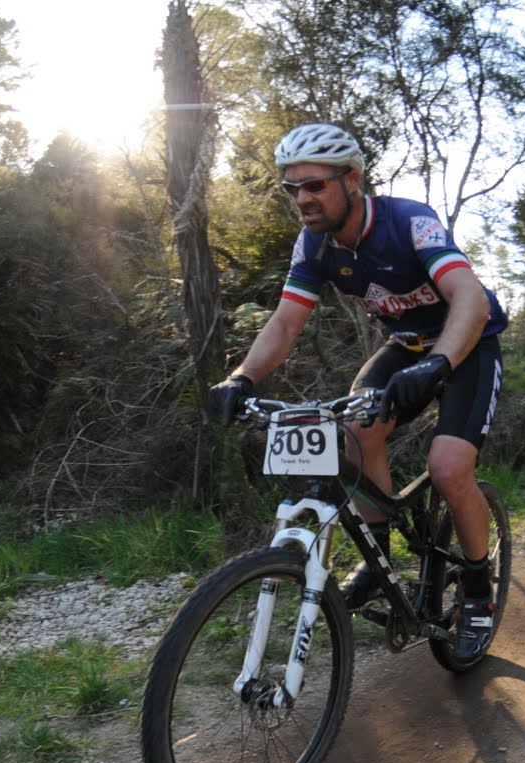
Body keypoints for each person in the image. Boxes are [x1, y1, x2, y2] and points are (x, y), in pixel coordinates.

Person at [209, 122, 508, 665]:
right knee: (356, 427)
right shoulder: (315, 244)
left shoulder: (409, 221)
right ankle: (378, 560)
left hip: (468, 344)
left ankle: (476, 588)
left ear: (352, 179)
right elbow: (285, 323)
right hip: (408, 347)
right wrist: (242, 377)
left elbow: (469, 296)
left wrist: (441, 360)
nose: (302, 198)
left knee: (447, 469)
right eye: (292, 188)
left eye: (315, 185)